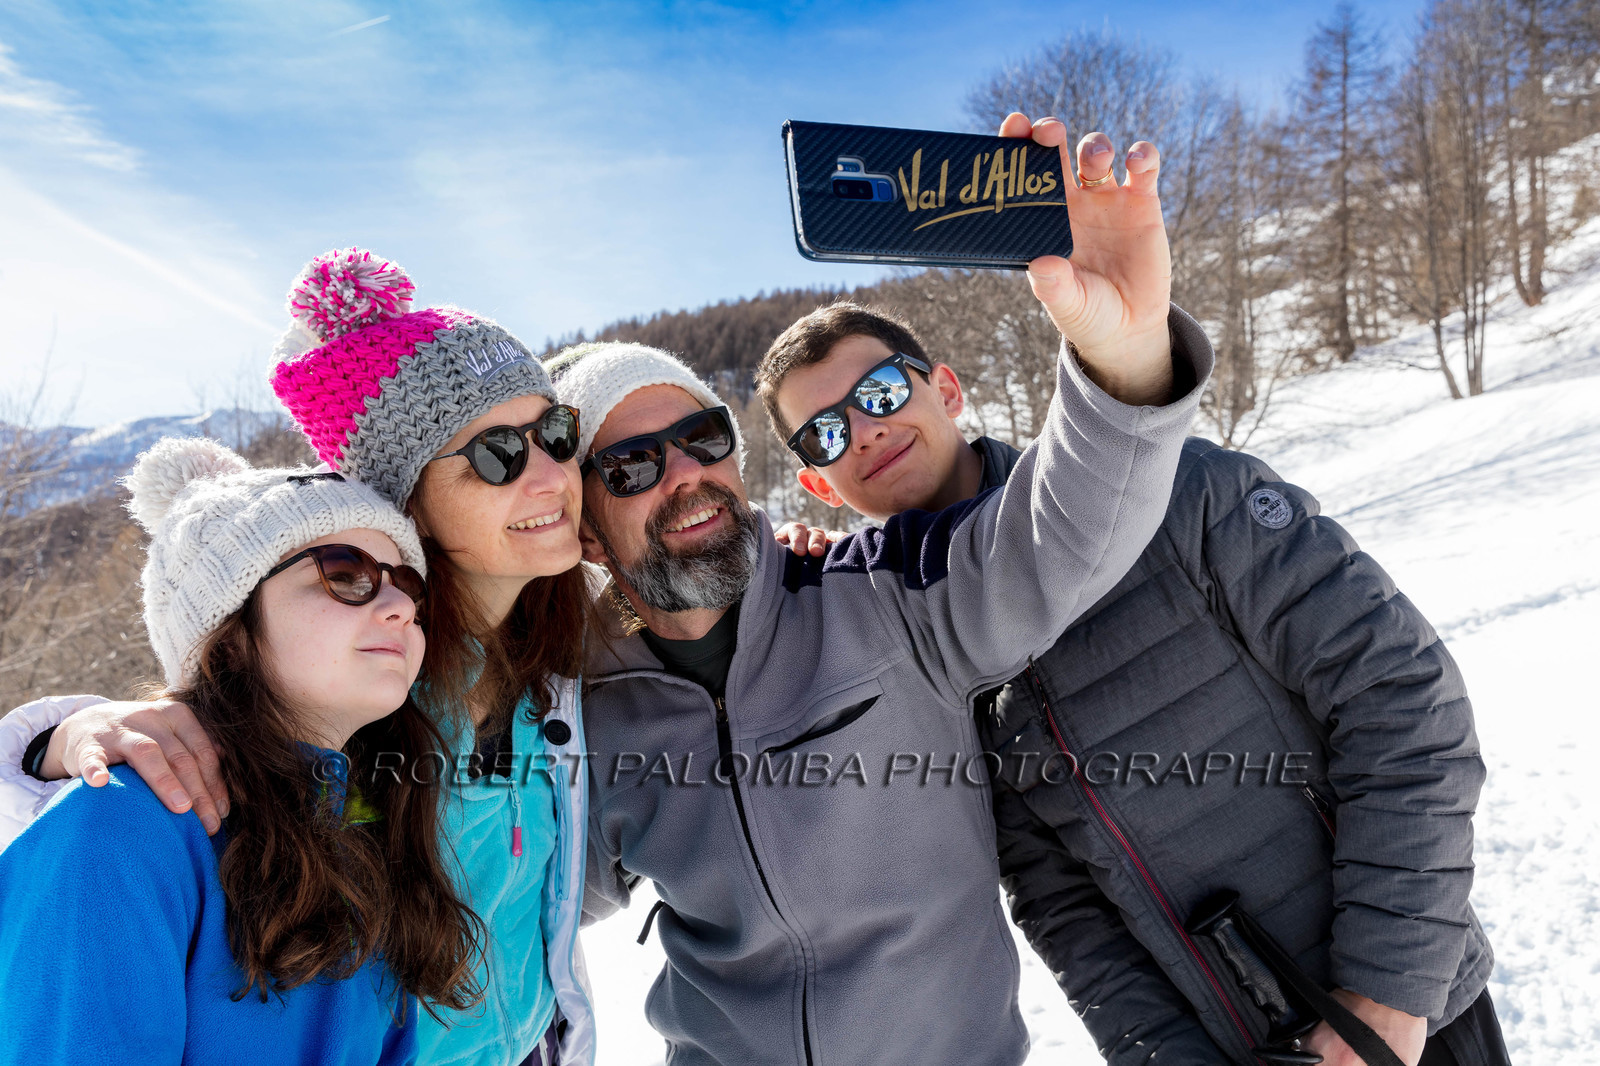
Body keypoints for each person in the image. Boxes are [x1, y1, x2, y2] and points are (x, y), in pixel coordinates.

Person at [554, 115, 1211, 1065]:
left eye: (703, 439)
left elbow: (1061, 533)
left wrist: (1126, 351)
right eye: (629, 467)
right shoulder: (584, 706)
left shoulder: (881, 596)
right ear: (582, 527)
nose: (685, 475)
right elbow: (518, 883)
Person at [757, 311, 1506, 1058]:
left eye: (880, 392)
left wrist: (1385, 995)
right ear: (818, 482)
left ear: (945, 390)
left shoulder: (1177, 492)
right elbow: (1062, 905)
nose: (862, 431)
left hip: (1405, 1023)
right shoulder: (910, 660)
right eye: (824, 432)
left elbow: (1405, 703)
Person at [0, 249, 596, 1066]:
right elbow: (140, 804)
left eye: (557, 433)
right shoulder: (367, 690)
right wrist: (62, 737)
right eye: (497, 453)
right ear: (405, 496)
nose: (553, 472)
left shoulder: (554, 654)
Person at [0, 438, 475, 1064]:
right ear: (229, 637)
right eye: (345, 575)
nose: (399, 607)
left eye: (408, 585)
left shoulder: (369, 821)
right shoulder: (116, 828)